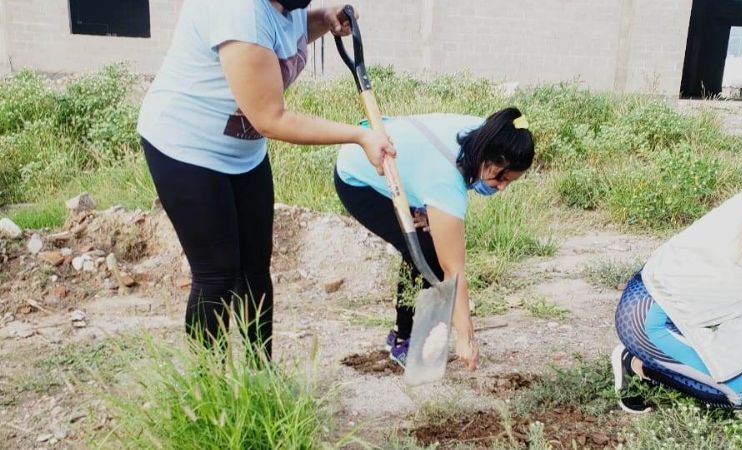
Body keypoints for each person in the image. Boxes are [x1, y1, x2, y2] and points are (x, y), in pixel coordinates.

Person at [136, 0, 395, 360]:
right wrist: (360, 135)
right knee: (217, 273)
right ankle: (209, 394)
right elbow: (270, 118)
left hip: (242, 153)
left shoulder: (286, 5)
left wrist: (320, 19)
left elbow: (283, 27)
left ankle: (260, 376)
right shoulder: (237, 10)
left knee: (255, 268)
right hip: (186, 145)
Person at [334, 108, 535, 370]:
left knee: (430, 238)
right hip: (362, 176)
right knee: (423, 249)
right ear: (488, 157)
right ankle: (401, 339)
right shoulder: (446, 180)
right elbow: (453, 270)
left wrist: (433, 211)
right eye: (502, 178)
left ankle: (408, 333)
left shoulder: (492, 134)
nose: (503, 187)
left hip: (404, 162)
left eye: (511, 181)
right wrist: (466, 337)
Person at [612, 177, 742, 412]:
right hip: (649, 325)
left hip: (645, 292)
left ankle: (660, 355)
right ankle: (638, 365)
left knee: (738, 364)